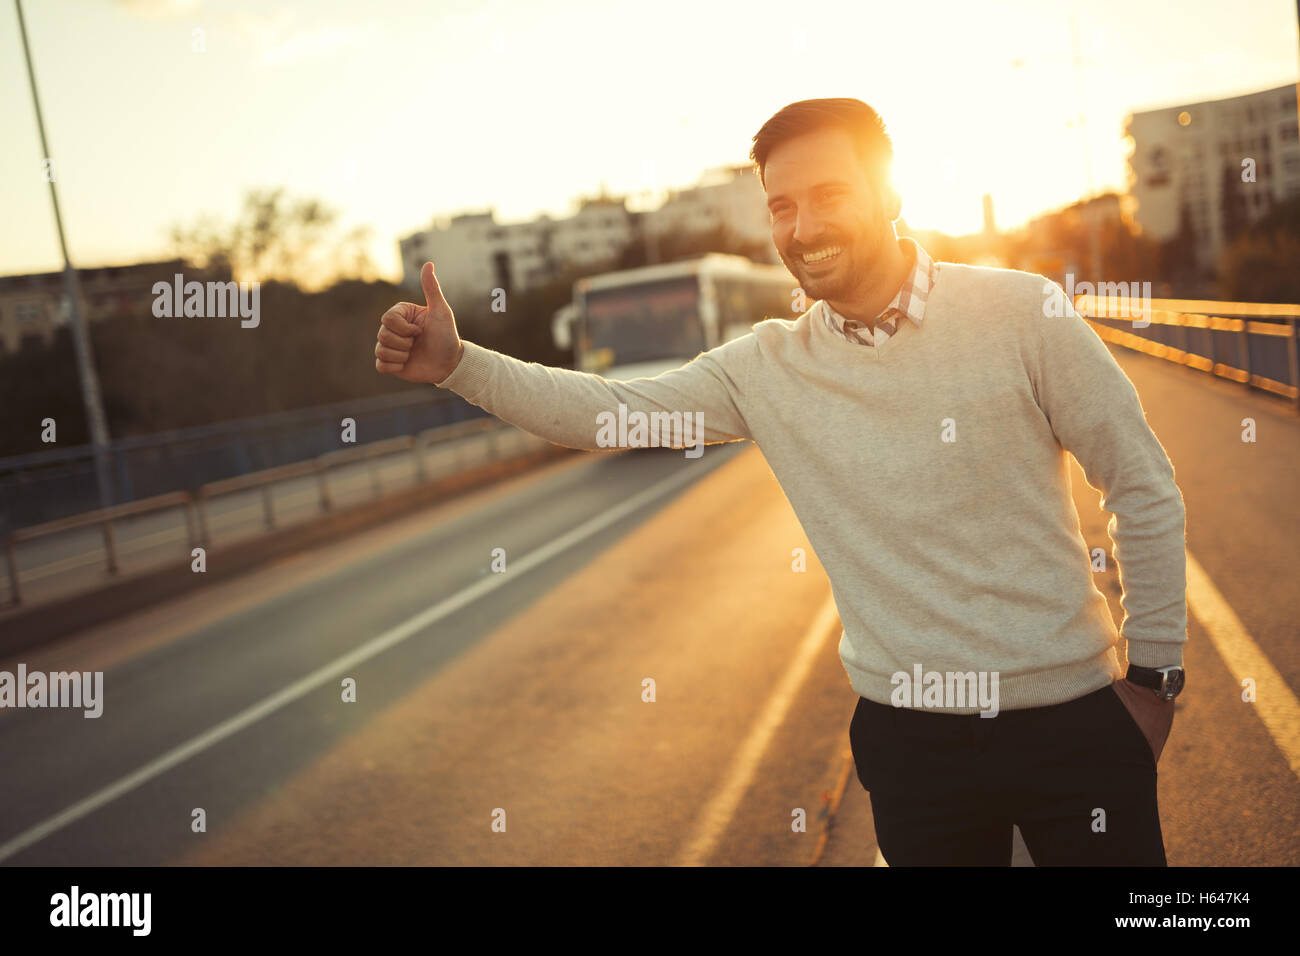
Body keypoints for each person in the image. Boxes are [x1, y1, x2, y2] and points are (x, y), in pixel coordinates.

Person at [372, 98, 1186, 866]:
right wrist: (459, 365)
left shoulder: (1021, 313)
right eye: (781, 206)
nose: (803, 227)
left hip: (1073, 721)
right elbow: (604, 412)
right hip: (913, 747)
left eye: (829, 195)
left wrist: (1154, 681)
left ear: (890, 192)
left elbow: (1140, 482)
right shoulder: (766, 366)